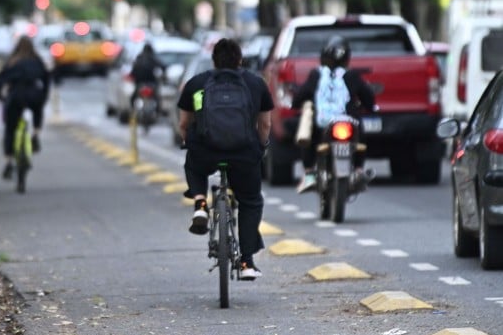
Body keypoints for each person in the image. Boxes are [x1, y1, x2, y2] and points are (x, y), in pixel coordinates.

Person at [177, 38, 273, 280]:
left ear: (214, 60)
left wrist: (187, 141)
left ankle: (200, 203)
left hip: (206, 151)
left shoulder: (197, 84)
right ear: (240, 60)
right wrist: (261, 148)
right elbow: (265, 124)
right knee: (251, 201)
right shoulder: (255, 83)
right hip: (243, 153)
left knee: (193, 165)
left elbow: (184, 123)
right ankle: (246, 262)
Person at [292, 35, 376, 194]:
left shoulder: (316, 75)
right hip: (349, 123)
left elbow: (300, 96)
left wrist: (295, 104)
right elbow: (368, 98)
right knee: (360, 134)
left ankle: (309, 172)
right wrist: (371, 107)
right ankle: (358, 170)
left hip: (322, 125)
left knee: (307, 135)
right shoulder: (352, 76)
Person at [0, 35, 51, 180]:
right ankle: (36, 133)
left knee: (10, 129)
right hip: (34, 95)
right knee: (37, 109)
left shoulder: (12, 62)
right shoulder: (37, 61)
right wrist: (43, 97)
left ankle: (8, 162)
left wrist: (1, 97)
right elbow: (47, 79)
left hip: (16, 96)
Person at [130, 43, 166, 113]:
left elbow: (133, 70)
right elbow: (163, 67)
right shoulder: (152, 58)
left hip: (140, 83)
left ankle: (133, 111)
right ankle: (158, 111)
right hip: (150, 82)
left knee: (134, 97)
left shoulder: (139, 58)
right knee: (157, 97)